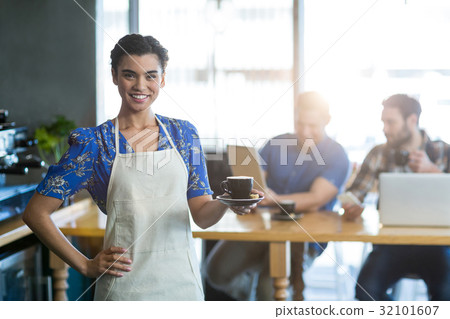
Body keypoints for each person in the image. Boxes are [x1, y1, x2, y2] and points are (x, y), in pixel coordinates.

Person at [22, 34, 262, 301]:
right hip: (124, 290)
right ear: (114, 76)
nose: (140, 85)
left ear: (162, 78)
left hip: (182, 287)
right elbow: (35, 213)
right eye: (129, 75)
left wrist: (226, 201)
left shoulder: (183, 135)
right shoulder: (93, 144)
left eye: (150, 75)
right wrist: (85, 264)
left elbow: (202, 216)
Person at [206, 91, 350, 300]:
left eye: (312, 126)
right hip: (263, 228)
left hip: (303, 237)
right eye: (300, 124)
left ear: (326, 121)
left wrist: (274, 200)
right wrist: (253, 192)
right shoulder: (277, 143)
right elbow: (257, 180)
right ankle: (250, 295)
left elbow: (316, 198)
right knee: (215, 273)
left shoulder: (337, 155)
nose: (305, 131)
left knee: (269, 290)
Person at [343, 94, 450, 301]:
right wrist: (352, 207)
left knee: (446, 294)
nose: (385, 129)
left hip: (436, 245)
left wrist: (432, 172)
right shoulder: (378, 153)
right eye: (383, 122)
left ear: (412, 120)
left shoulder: (443, 151)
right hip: (390, 243)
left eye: (390, 122)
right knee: (365, 291)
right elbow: (354, 196)